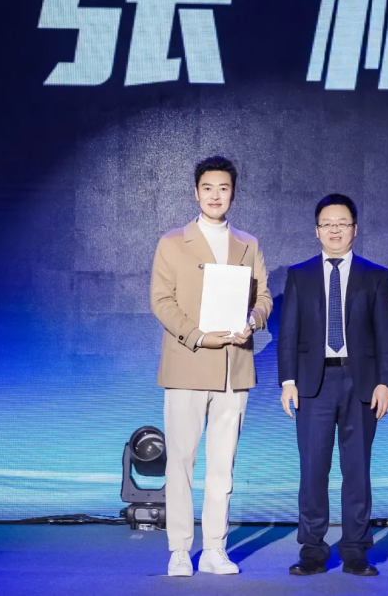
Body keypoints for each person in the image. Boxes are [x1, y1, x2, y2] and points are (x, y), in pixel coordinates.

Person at [149, 156, 272, 577]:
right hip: (188, 363)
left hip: (233, 367)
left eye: (223, 188)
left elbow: (263, 297)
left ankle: (215, 549)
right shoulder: (172, 242)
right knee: (180, 462)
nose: (215, 195)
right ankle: (180, 550)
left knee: (223, 465)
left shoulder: (248, 243)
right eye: (208, 188)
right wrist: (200, 336)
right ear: (195, 192)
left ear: (233, 193)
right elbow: (161, 301)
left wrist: (252, 319)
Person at [277, 193, 388, 577]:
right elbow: (288, 334)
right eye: (327, 224)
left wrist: (385, 383)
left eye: (342, 223)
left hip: (360, 384)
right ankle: (312, 550)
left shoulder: (375, 276)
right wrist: (288, 381)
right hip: (313, 384)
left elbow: (386, 336)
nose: (335, 230)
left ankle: (356, 551)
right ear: (317, 230)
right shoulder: (300, 275)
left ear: (354, 229)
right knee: (313, 471)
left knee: (356, 471)